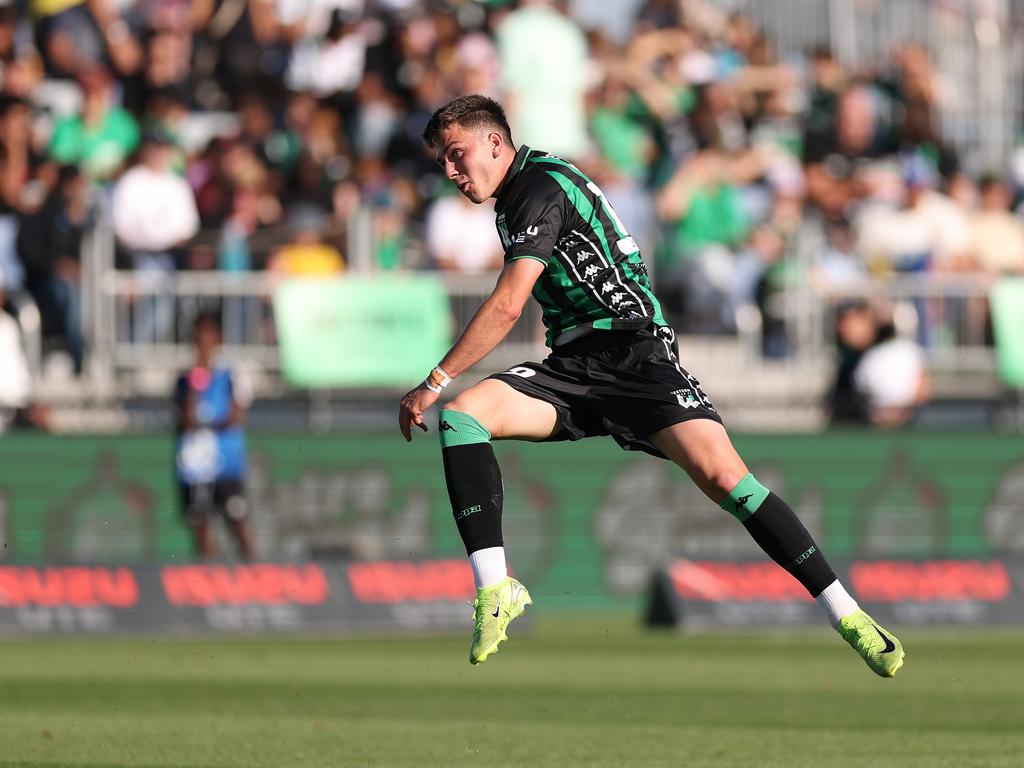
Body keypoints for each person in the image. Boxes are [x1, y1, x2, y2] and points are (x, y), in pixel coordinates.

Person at [399, 95, 905, 677]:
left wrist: (434, 378)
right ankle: (496, 588)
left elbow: (510, 304)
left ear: (495, 142)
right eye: (442, 162)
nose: (451, 173)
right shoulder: (514, 197)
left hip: (638, 356)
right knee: (465, 418)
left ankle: (848, 614)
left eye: (457, 155)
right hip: (574, 366)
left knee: (727, 480)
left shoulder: (538, 186)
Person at [174, 312, 255, 560]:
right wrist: (197, 379)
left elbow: (235, 417)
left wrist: (205, 422)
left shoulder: (231, 374)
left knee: (236, 516)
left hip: (226, 460)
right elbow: (185, 418)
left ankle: (252, 571)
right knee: (199, 520)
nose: (203, 343)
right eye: (198, 338)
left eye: (208, 336)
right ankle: (206, 576)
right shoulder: (186, 379)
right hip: (196, 464)